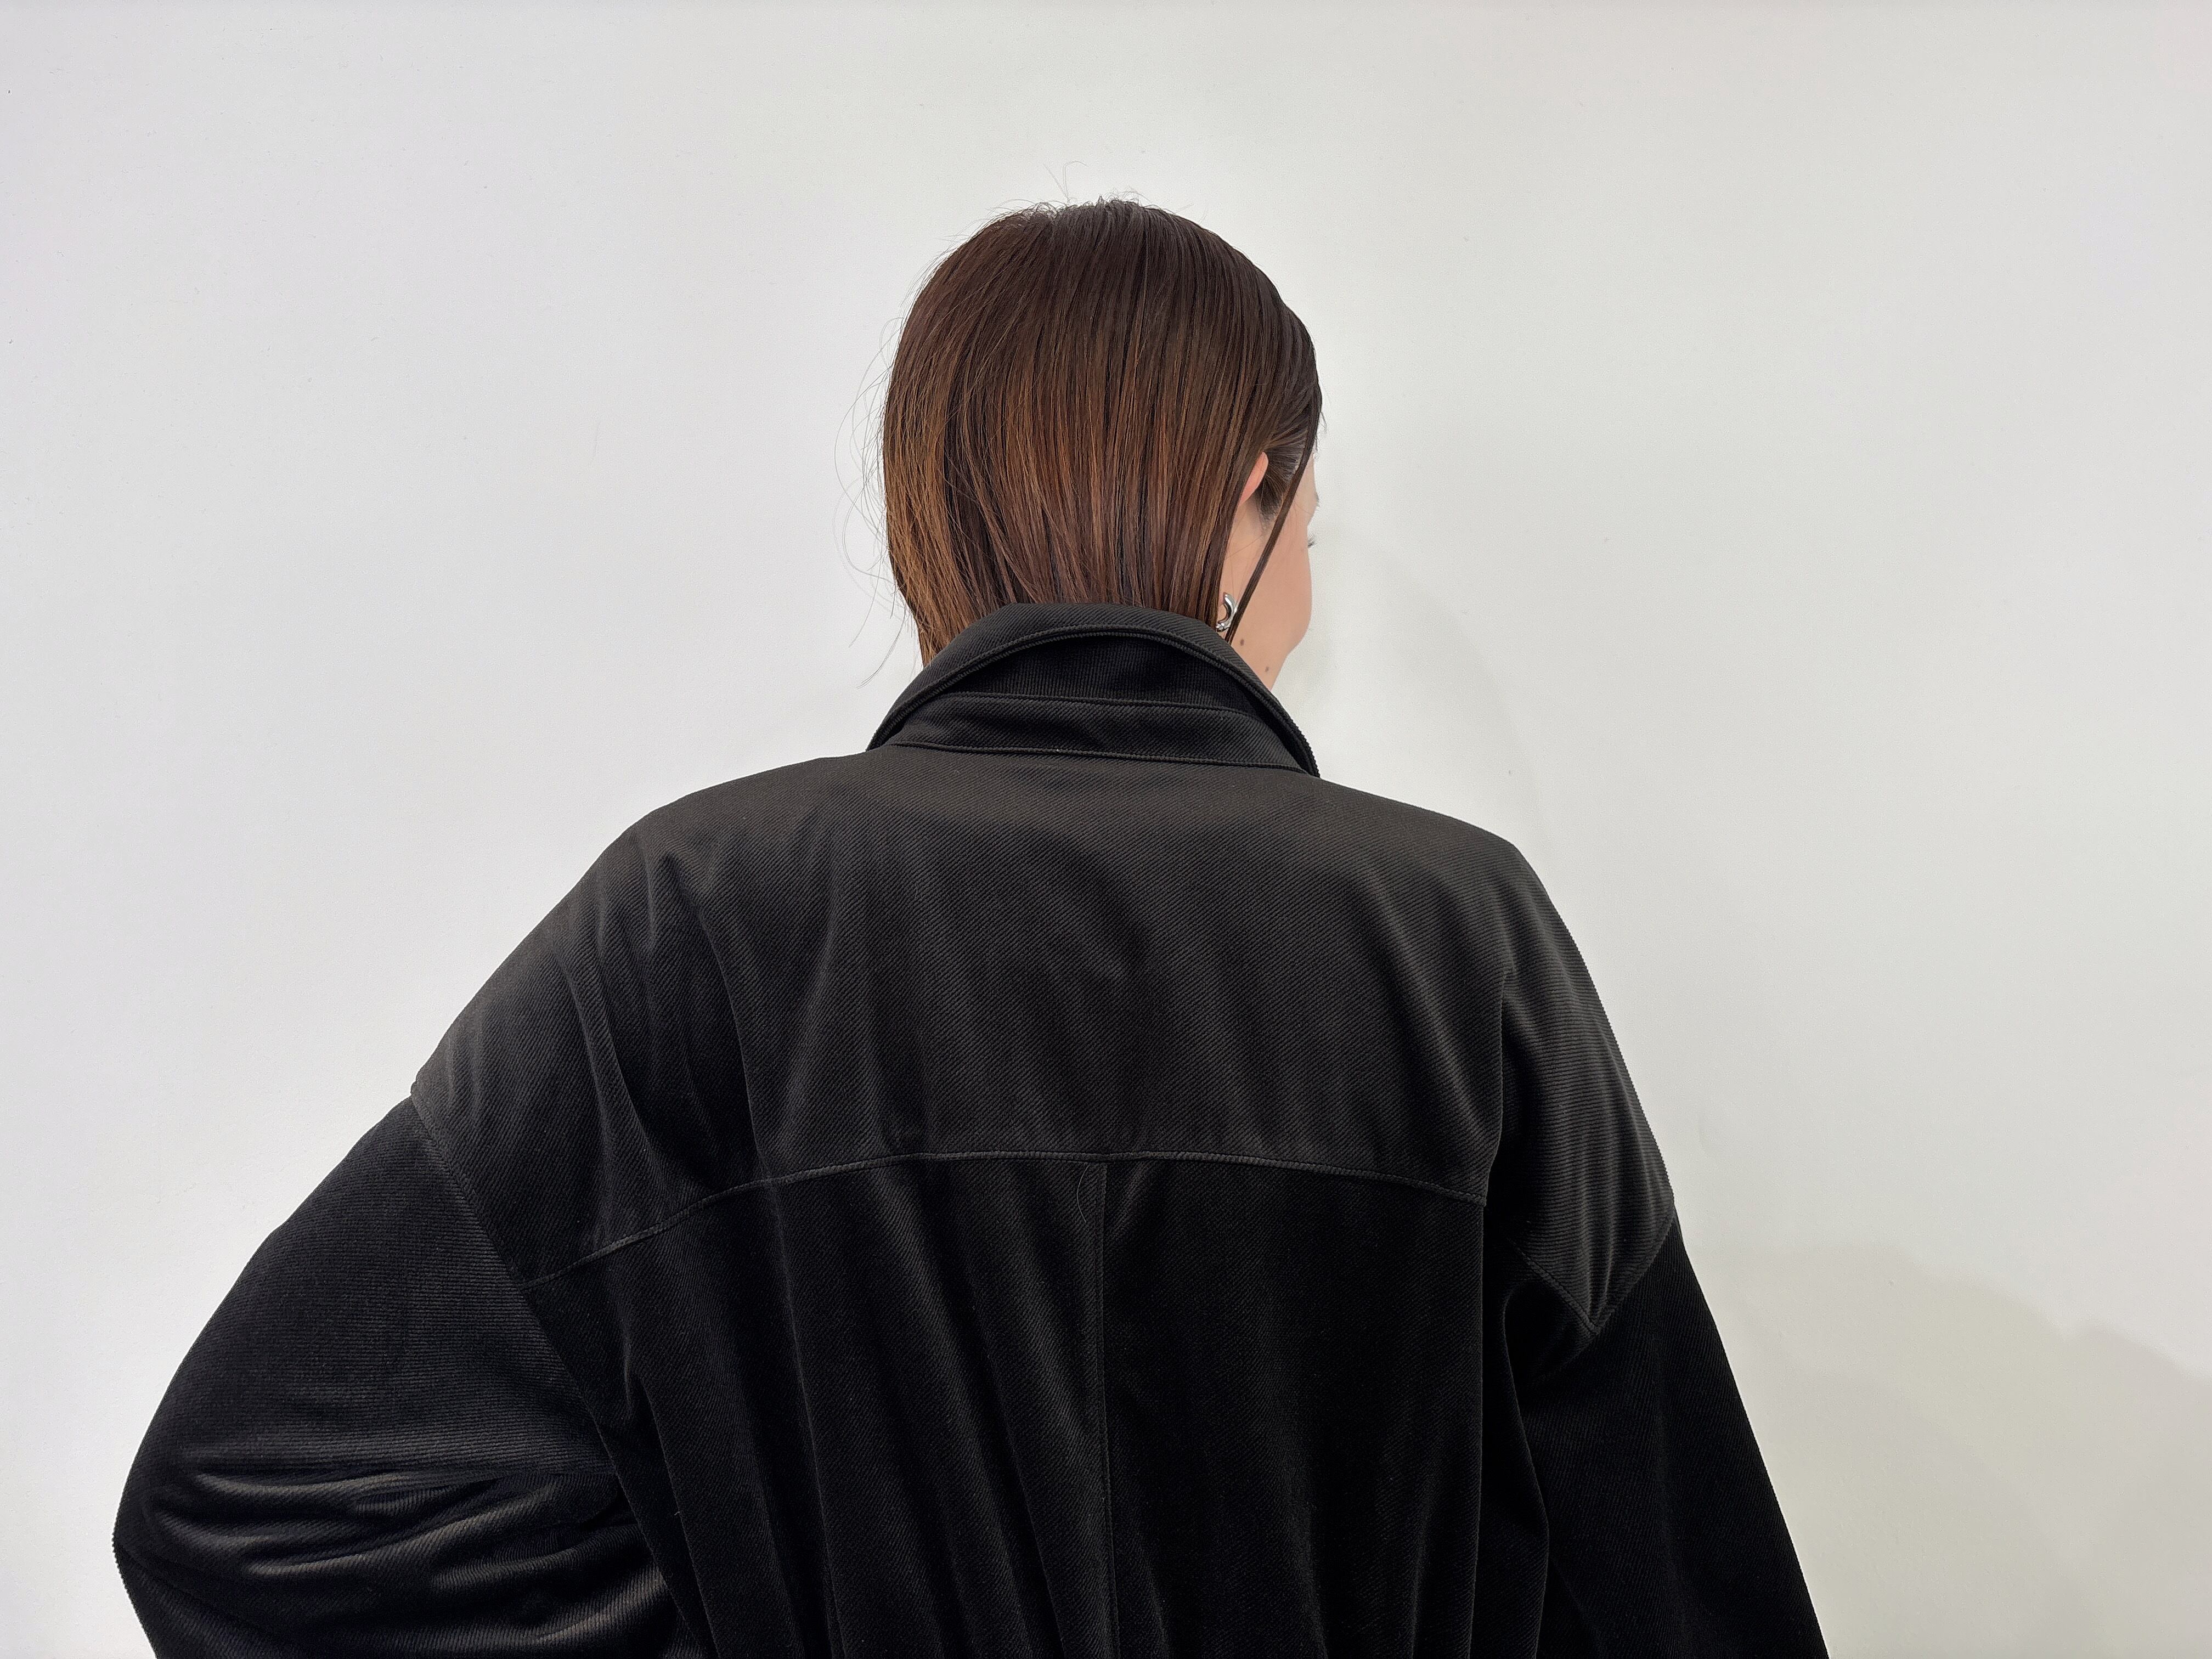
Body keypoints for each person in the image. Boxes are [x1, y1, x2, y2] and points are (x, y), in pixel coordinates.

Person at [114, 196, 1829, 1656]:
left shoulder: (690, 924)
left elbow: (248, 1507)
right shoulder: (1458, 948)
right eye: (1307, 522)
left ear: (929, 517)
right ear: (1247, 497)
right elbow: (1680, 1601)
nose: (1307, 577)